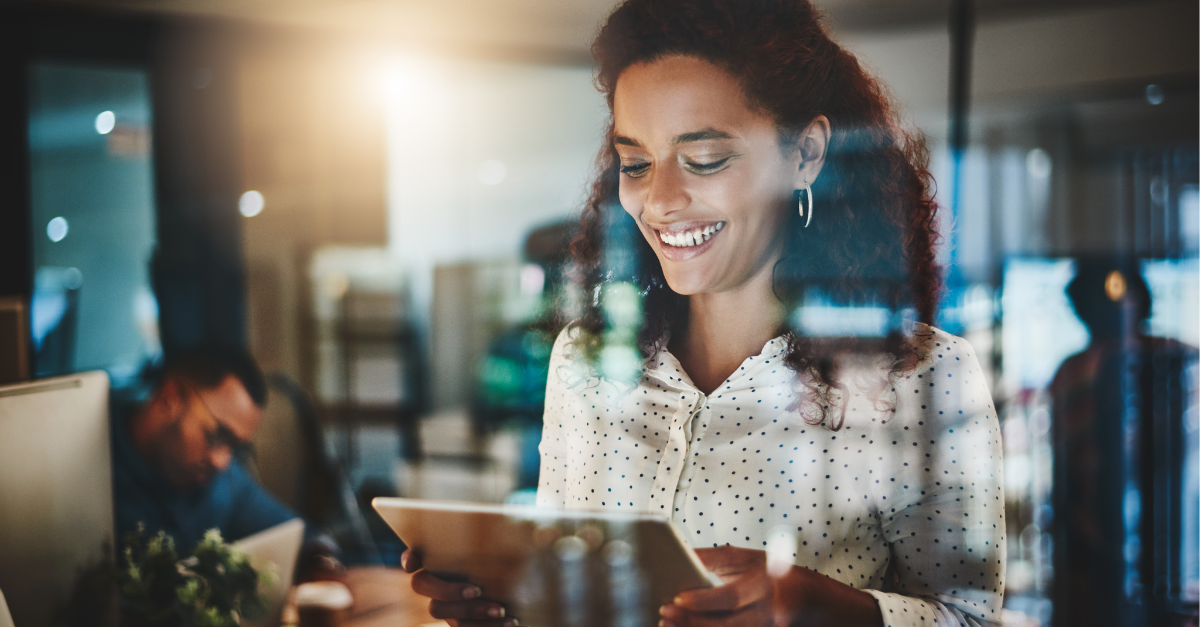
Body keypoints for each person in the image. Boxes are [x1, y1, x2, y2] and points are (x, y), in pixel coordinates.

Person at [402, 1, 1005, 626]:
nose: (659, 199)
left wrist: (823, 611)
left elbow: (973, 618)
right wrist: (506, 612)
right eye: (635, 163)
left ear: (806, 154)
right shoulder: (584, 361)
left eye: (706, 158)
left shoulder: (922, 378)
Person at [111, 346, 339, 575]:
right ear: (169, 397)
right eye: (217, 435)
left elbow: (306, 538)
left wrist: (322, 561)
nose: (221, 461)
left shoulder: (224, 482)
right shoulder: (97, 475)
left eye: (235, 447)